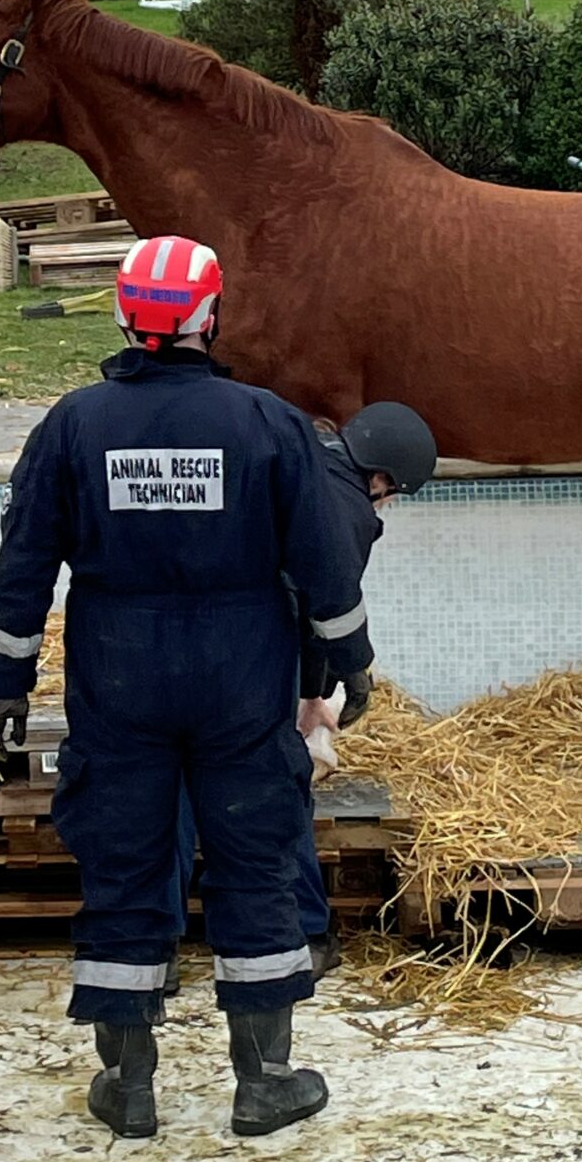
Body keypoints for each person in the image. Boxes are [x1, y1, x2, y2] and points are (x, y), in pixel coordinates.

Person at [0, 234, 375, 1141]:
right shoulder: (267, 423)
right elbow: (323, 563)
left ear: (124, 314)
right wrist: (351, 663)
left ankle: (130, 1089)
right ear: (208, 316)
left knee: (123, 861)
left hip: (119, 674)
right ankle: (263, 1082)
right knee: (256, 859)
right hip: (240, 676)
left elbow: (23, 565)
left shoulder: (74, 425)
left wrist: (5, 687)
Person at [168, 400, 437, 986]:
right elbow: (326, 607)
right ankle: (308, 932)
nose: (386, 505)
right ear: (380, 477)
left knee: (171, 791)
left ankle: (155, 953)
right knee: (280, 793)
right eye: (393, 493)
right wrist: (325, 687)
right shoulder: (347, 508)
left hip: (178, 645)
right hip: (258, 661)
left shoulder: (286, 458)